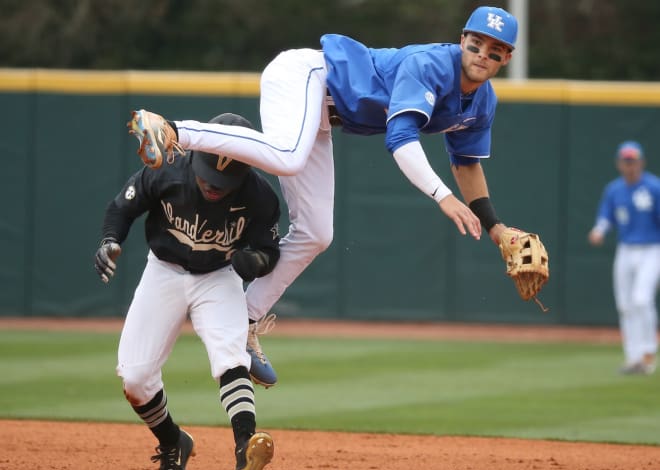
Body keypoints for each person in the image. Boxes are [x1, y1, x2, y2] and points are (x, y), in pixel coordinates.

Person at [128, 6, 521, 383]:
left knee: (317, 232)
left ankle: (243, 320)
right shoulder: (431, 65)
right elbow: (400, 139)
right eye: (476, 44)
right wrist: (442, 196)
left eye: (494, 51)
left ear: (506, 58)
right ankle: (172, 130)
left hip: (321, 114)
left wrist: (496, 228)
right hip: (308, 76)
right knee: (286, 155)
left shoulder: (482, 102)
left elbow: (467, 163)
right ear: (462, 39)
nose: (482, 55)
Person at [95, 112, 279, 470]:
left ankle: (246, 449)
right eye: (210, 174)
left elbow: (270, 253)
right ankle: (172, 441)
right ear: (195, 154)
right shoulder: (167, 168)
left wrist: (253, 262)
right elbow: (122, 206)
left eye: (226, 180)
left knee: (230, 355)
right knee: (135, 379)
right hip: (163, 269)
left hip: (218, 275)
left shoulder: (259, 196)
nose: (214, 185)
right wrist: (109, 240)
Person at [588, 140, 660, 375]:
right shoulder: (614, 189)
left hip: (652, 249)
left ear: (641, 162)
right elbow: (606, 216)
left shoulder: (653, 187)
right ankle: (633, 357)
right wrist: (599, 230)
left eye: (633, 161)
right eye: (626, 161)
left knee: (641, 299)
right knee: (625, 305)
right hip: (626, 249)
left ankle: (648, 353)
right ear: (619, 163)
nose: (630, 166)